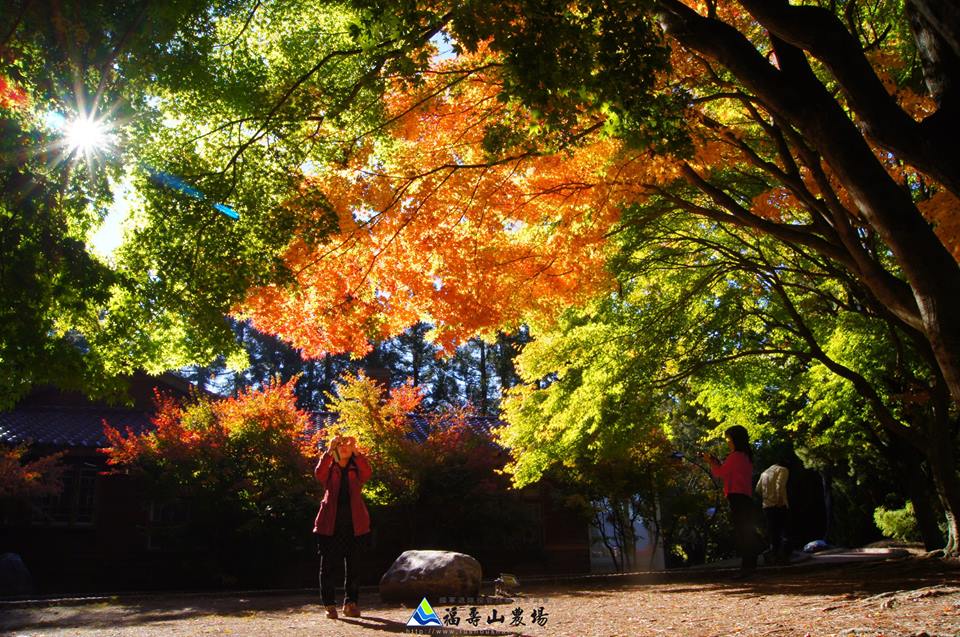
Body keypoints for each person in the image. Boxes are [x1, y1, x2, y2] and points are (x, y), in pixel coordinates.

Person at [314, 434, 372, 619]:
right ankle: (330, 605)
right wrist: (329, 450)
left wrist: (357, 451)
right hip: (329, 524)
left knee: (354, 566)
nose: (344, 447)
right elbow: (319, 474)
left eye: (348, 445)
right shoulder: (330, 467)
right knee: (328, 567)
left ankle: (351, 604)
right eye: (341, 445)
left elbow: (367, 473)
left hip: (355, 524)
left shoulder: (357, 466)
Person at [702, 425, 760, 578]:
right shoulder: (746, 456)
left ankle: (747, 568)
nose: (728, 442)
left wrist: (711, 462)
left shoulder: (736, 456)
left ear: (736, 439)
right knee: (746, 530)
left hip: (737, 497)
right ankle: (750, 566)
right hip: (745, 496)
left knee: (743, 532)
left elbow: (721, 473)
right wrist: (715, 462)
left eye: (729, 439)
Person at [756, 460, 790, 564]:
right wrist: (780, 499)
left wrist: (766, 497)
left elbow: (757, 489)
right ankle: (783, 557)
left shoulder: (764, 473)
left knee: (773, 531)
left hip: (767, 506)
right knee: (784, 530)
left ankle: (774, 556)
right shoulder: (782, 470)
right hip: (779, 504)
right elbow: (780, 484)